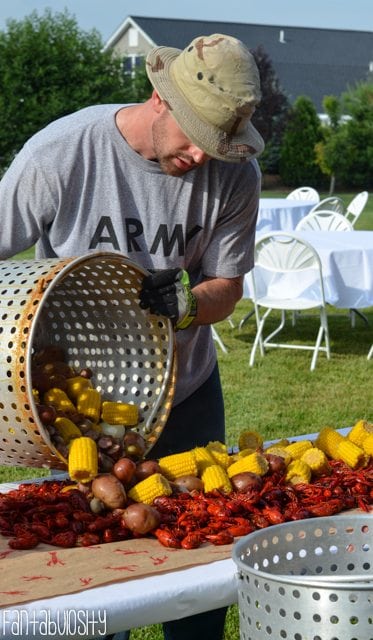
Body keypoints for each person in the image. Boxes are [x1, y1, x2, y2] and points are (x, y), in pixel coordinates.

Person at [0, 33, 264, 640]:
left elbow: (227, 286)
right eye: (195, 136)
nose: (202, 157)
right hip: (71, 407)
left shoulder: (236, 176)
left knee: (200, 577)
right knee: (90, 583)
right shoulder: (63, 153)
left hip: (183, 390)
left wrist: (188, 306)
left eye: (217, 144)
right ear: (159, 97)